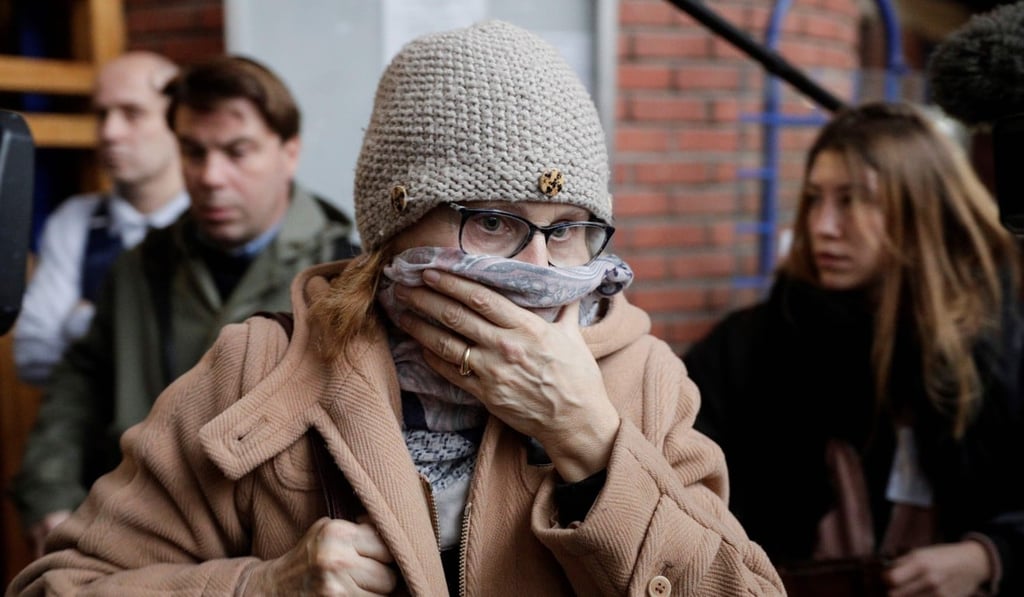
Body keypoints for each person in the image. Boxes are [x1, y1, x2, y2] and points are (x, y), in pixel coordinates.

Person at [7, 21, 782, 595]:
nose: (541, 269)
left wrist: (593, 442)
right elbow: (58, 586)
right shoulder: (259, 368)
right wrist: (265, 586)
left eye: (570, 229)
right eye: (493, 222)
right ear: (392, 229)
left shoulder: (643, 382)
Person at [11, 54, 357, 559]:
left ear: (289, 152)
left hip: (287, 558)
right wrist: (50, 494)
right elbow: (79, 382)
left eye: (238, 152)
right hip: (144, 544)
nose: (211, 176)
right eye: (194, 152)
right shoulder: (139, 268)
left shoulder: (343, 273)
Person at [684, 101, 1024, 596]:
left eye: (852, 200)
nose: (823, 226)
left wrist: (988, 555)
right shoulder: (752, 344)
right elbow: (678, 479)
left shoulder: (997, 343)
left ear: (920, 207)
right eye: (815, 198)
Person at [13, 51, 189, 386]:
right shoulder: (74, 220)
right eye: (102, 114)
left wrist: (80, 321)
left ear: (178, 119)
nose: (110, 132)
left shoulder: (214, 219)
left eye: (132, 113)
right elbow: (33, 358)